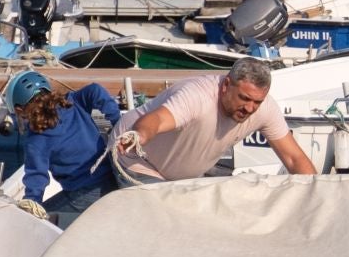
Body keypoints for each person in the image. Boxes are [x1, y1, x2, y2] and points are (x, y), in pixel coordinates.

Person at [112, 59, 317, 181]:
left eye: (256, 102)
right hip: (137, 158)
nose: (249, 108)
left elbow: (293, 158)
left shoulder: (265, 108)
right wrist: (138, 135)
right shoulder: (197, 95)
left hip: (180, 177)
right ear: (226, 85)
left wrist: (322, 193)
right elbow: (156, 120)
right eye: (244, 98)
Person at [8, 71, 121, 216]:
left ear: (19, 110)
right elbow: (95, 90)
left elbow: (37, 177)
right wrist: (116, 124)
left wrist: (31, 201)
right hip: (114, 178)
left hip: (85, 193)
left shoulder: (36, 138)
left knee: (40, 221)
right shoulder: (76, 101)